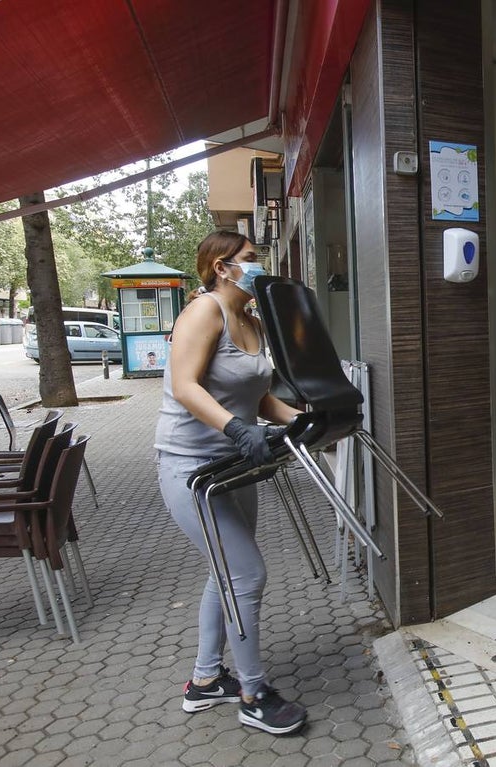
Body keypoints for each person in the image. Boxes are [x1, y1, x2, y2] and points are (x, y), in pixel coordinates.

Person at [154, 230, 308, 735]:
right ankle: (252, 692)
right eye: (250, 258)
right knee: (245, 575)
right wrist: (238, 430)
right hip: (191, 468)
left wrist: (300, 422)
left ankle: (204, 682)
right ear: (222, 267)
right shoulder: (205, 312)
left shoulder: (251, 319)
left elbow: (259, 396)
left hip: (236, 463)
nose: (258, 264)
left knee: (226, 571)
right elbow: (185, 385)